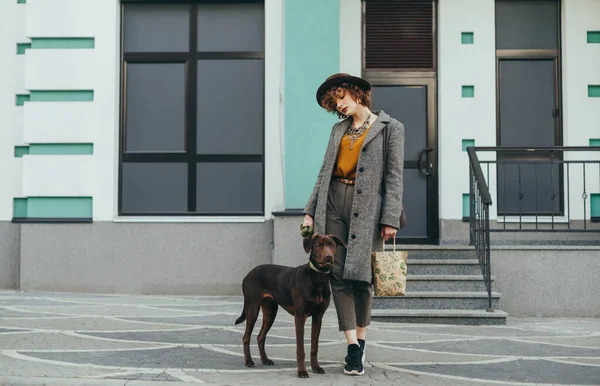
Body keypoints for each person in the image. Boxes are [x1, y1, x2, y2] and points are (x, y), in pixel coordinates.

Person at [302, 73, 405, 376]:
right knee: (337, 273)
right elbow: (324, 172)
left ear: (355, 94)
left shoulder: (391, 129)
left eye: (341, 99)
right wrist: (310, 211)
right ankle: (351, 347)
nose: (339, 106)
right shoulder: (338, 130)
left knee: (363, 278)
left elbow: (394, 177)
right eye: (334, 104)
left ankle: (361, 340)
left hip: (369, 209)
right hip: (333, 202)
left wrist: (390, 218)